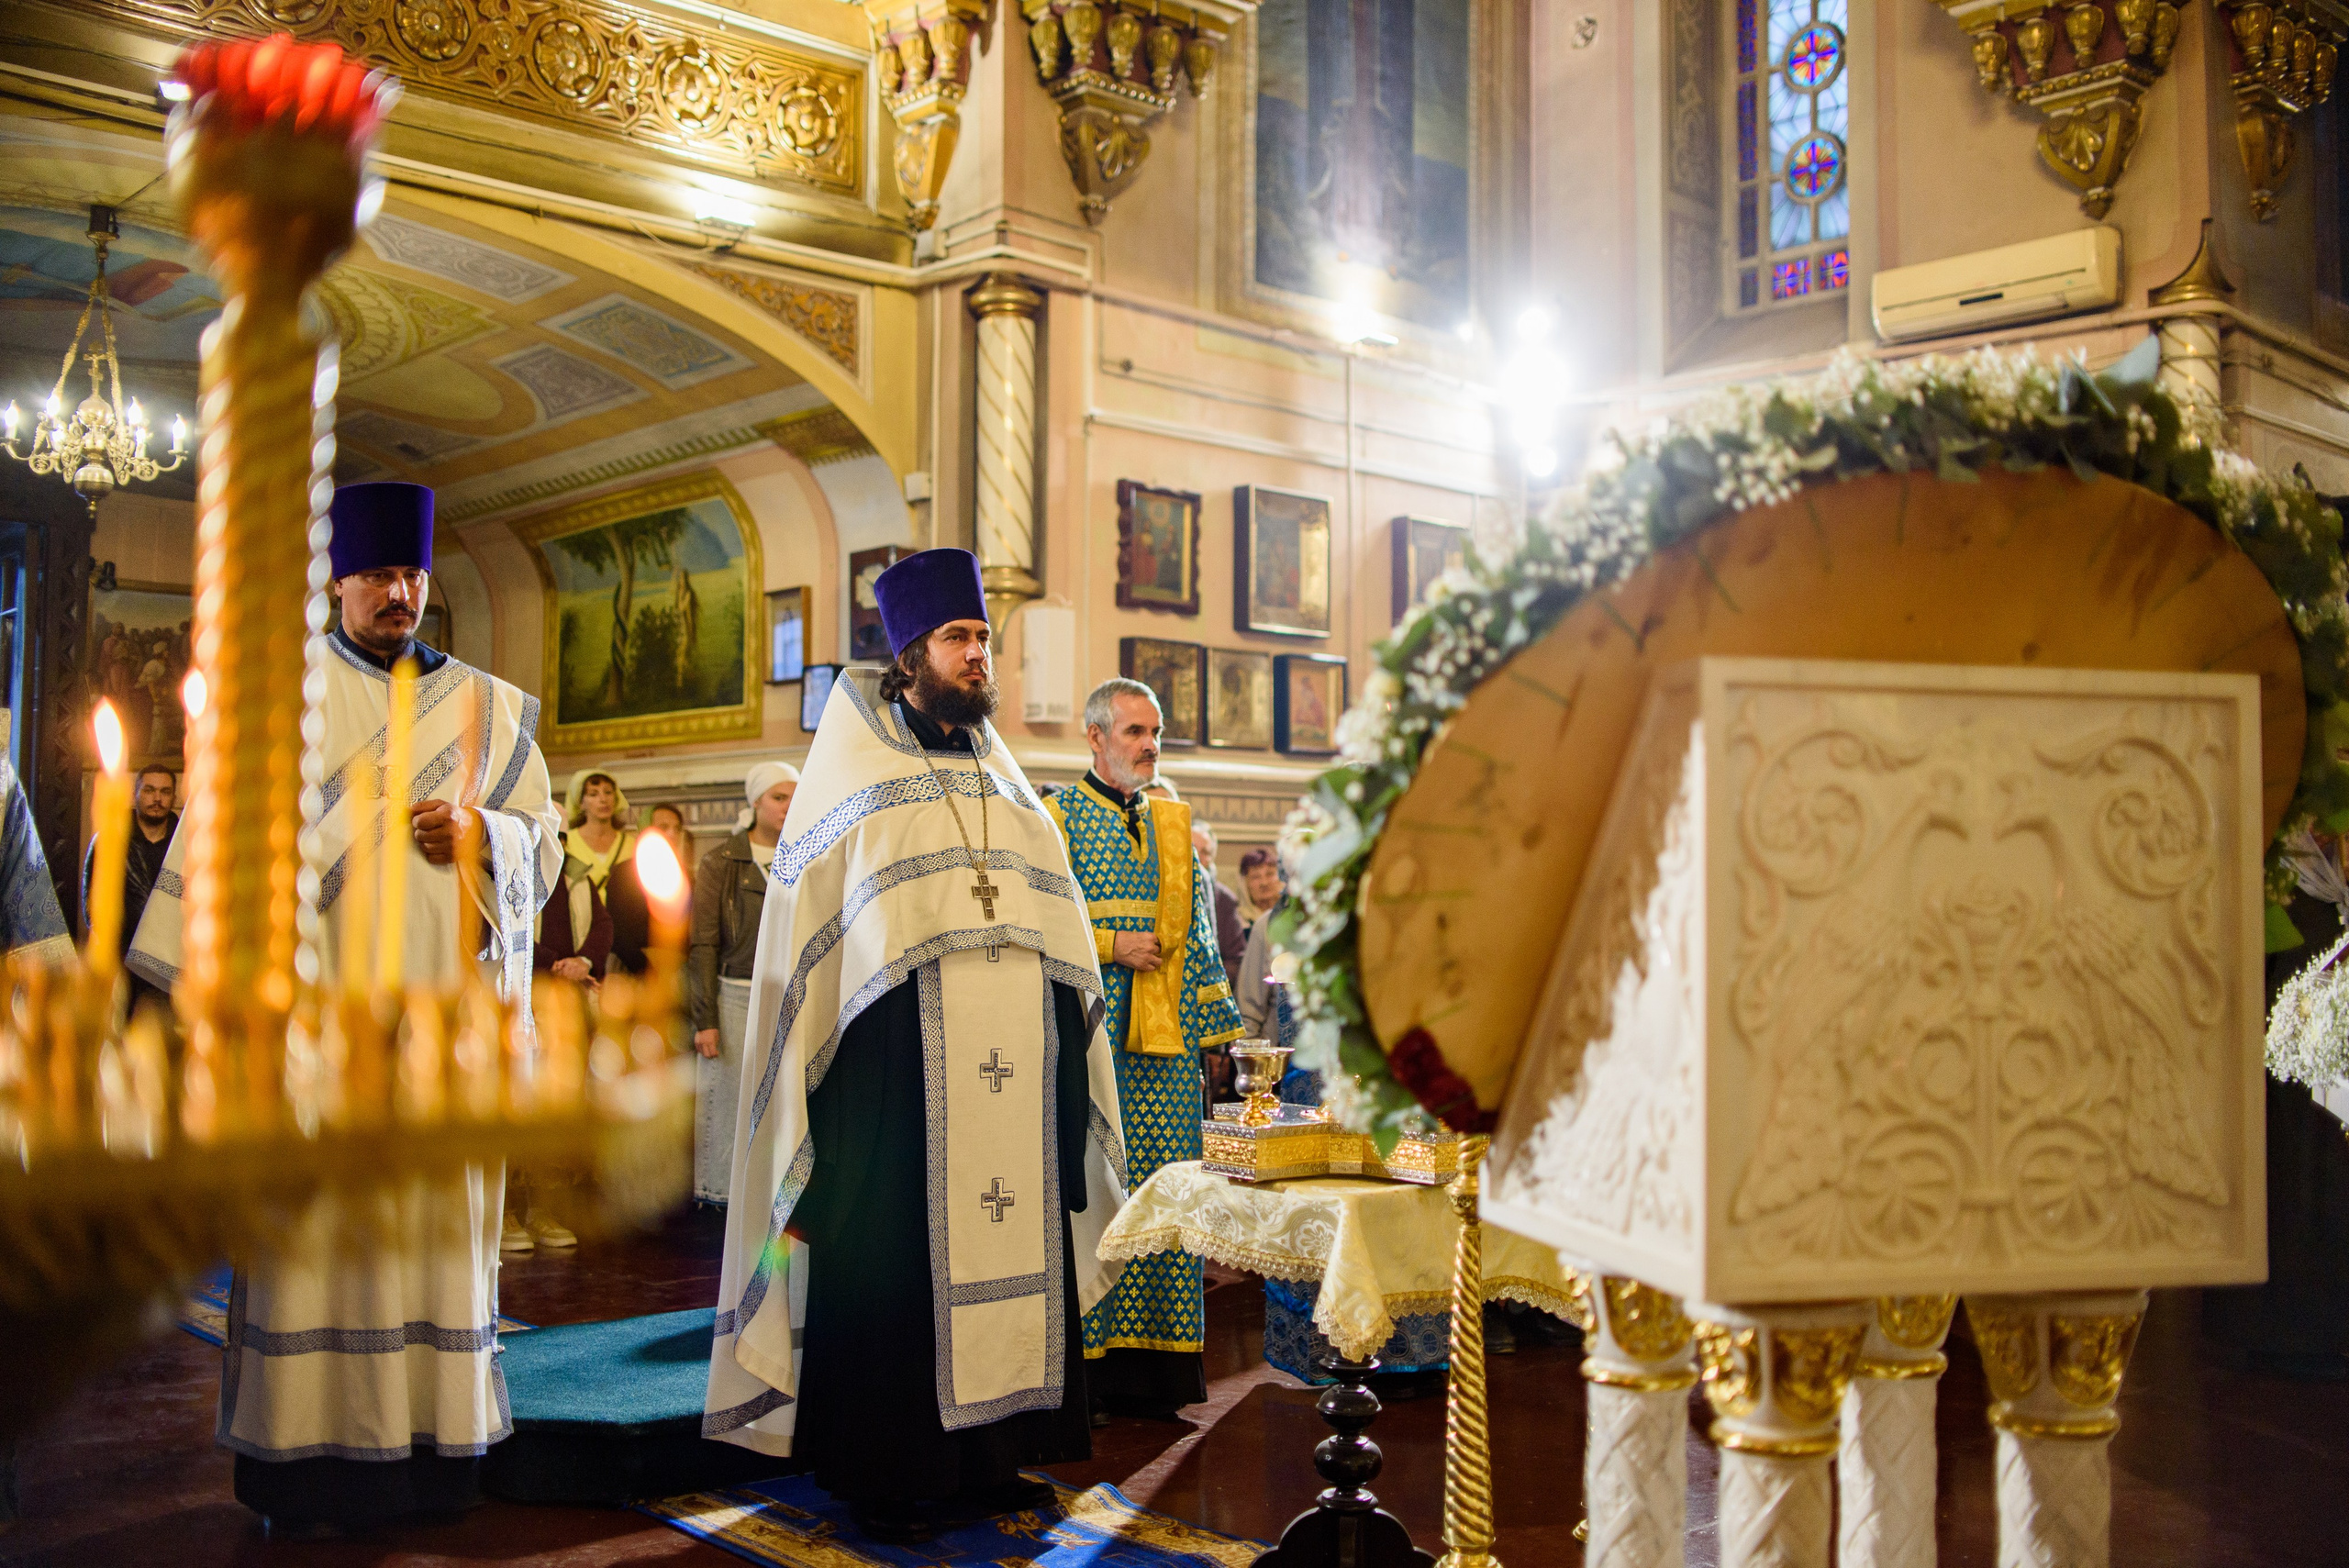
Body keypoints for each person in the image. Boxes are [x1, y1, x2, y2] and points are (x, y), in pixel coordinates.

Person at [128, 480, 562, 1536]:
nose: (399, 592)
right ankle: (310, 1469)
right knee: (318, 1245)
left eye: (412, 575)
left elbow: (541, 843)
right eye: (378, 575)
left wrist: (483, 836)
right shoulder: (275, 699)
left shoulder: (491, 709)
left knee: (433, 1239)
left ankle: (436, 1456)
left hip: (443, 1037)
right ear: (339, 580)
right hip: (314, 1038)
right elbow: (218, 866)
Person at [704, 548, 1128, 1542]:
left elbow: (1060, 938)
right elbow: (814, 957)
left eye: (983, 637)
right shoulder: (849, 787)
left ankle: (992, 1456)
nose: (978, 655)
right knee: (895, 1270)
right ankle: (886, 1470)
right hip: (892, 1087)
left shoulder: (1013, 791)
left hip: (1014, 1079)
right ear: (908, 657)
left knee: (1011, 1241)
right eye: (958, 638)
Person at [1046, 678, 1242, 1421]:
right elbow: (1039, 917)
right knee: (1103, 1187)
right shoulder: (1055, 817)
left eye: (1154, 731)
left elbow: (1194, 933)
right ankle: (1092, 1373)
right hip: (1090, 1036)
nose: (1148, 744)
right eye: (1133, 731)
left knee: (1168, 1191)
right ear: (1095, 737)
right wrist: (1107, 943)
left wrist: (1219, 1036)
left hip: (1166, 1048)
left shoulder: (1172, 821)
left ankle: (1157, 1370)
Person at [687, 762, 798, 1207]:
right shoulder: (722, 861)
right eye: (778, 797)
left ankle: (772, 1196)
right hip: (735, 991)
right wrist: (705, 1019)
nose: (788, 806)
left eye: (794, 796)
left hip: (788, 989)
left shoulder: (804, 855)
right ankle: (718, 1196)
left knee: (784, 1098)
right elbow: (703, 944)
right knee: (727, 1098)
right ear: (755, 802)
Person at [80, 765, 176, 963]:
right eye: (149, 790)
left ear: (174, 797)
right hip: (121, 957)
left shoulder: (188, 843)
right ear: (135, 795)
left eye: (165, 792)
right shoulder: (109, 841)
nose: (157, 799)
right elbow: (92, 904)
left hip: (172, 959)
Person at [607, 800, 691, 977]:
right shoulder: (624, 873)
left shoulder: (685, 876)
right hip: (631, 969)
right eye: (663, 827)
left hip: (676, 968)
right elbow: (617, 929)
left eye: (677, 828)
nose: (672, 834)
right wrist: (646, 967)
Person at [562, 771, 636, 902]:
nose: (603, 800)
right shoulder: (567, 843)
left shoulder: (632, 845)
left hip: (622, 919)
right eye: (593, 794)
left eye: (608, 792)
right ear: (580, 802)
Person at [1238, 844, 1285, 930]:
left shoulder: (1293, 915)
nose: (1264, 883)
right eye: (1256, 877)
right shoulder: (1238, 924)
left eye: (1270, 874)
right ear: (1245, 884)